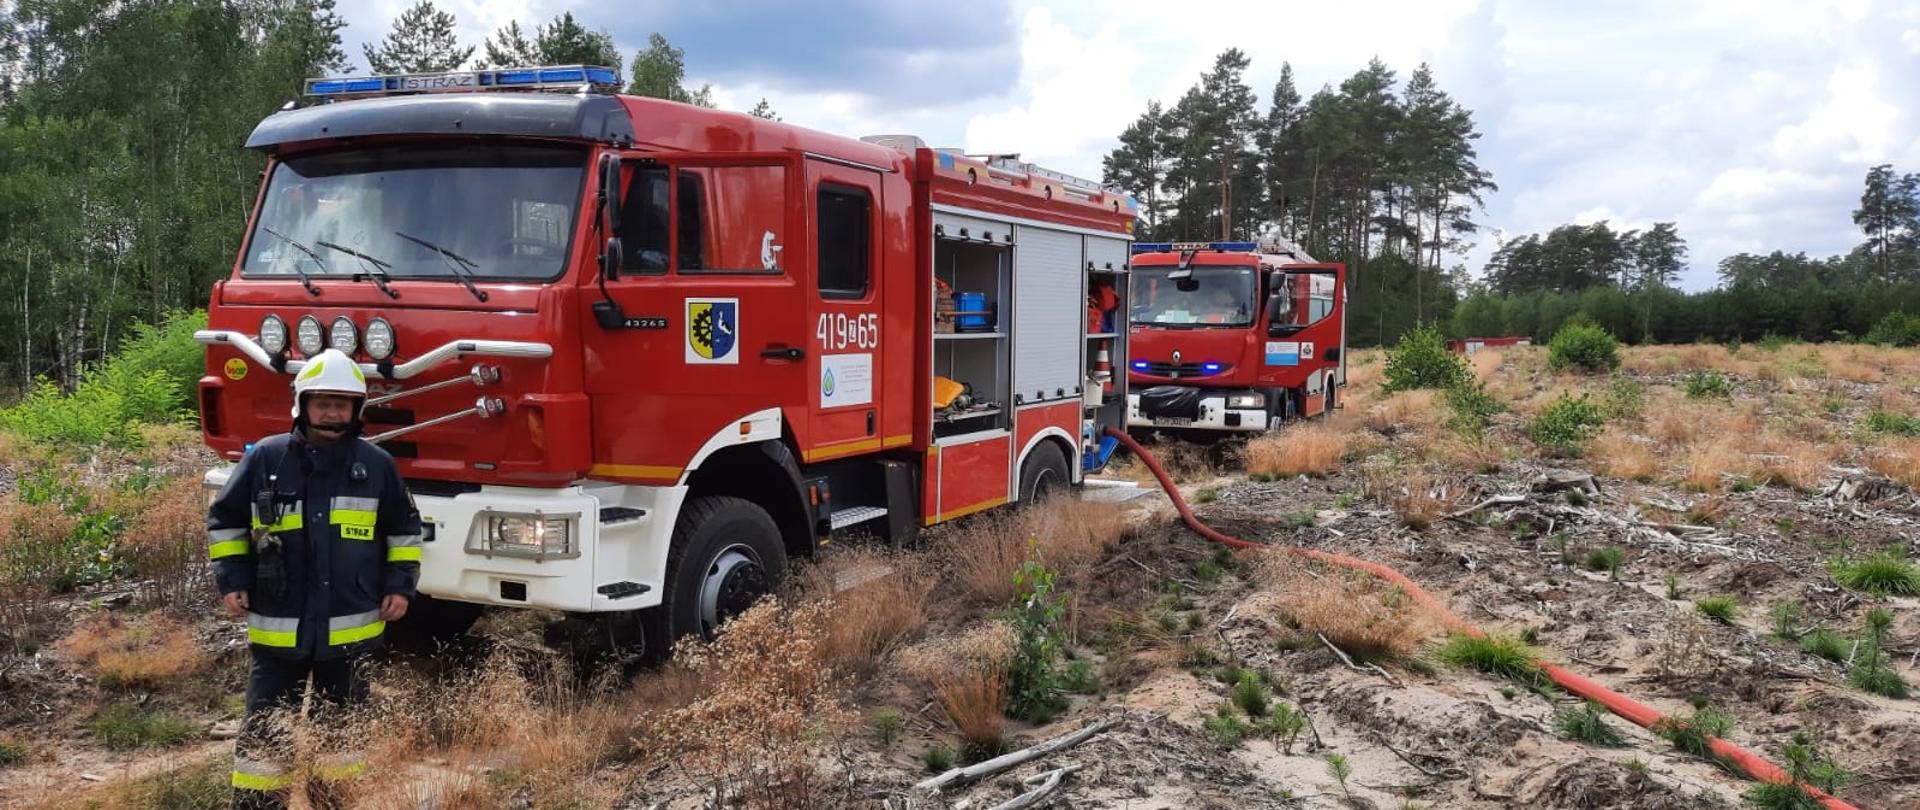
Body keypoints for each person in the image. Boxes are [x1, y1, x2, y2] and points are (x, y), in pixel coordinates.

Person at [206, 348, 422, 809]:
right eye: (322, 402)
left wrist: (399, 586)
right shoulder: (266, 458)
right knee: (267, 729)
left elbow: (403, 533)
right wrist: (232, 579)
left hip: (352, 628)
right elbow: (224, 521)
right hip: (278, 627)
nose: (332, 412)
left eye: (341, 404)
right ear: (301, 404)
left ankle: (333, 802)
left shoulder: (376, 466)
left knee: (341, 735)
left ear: (356, 410)